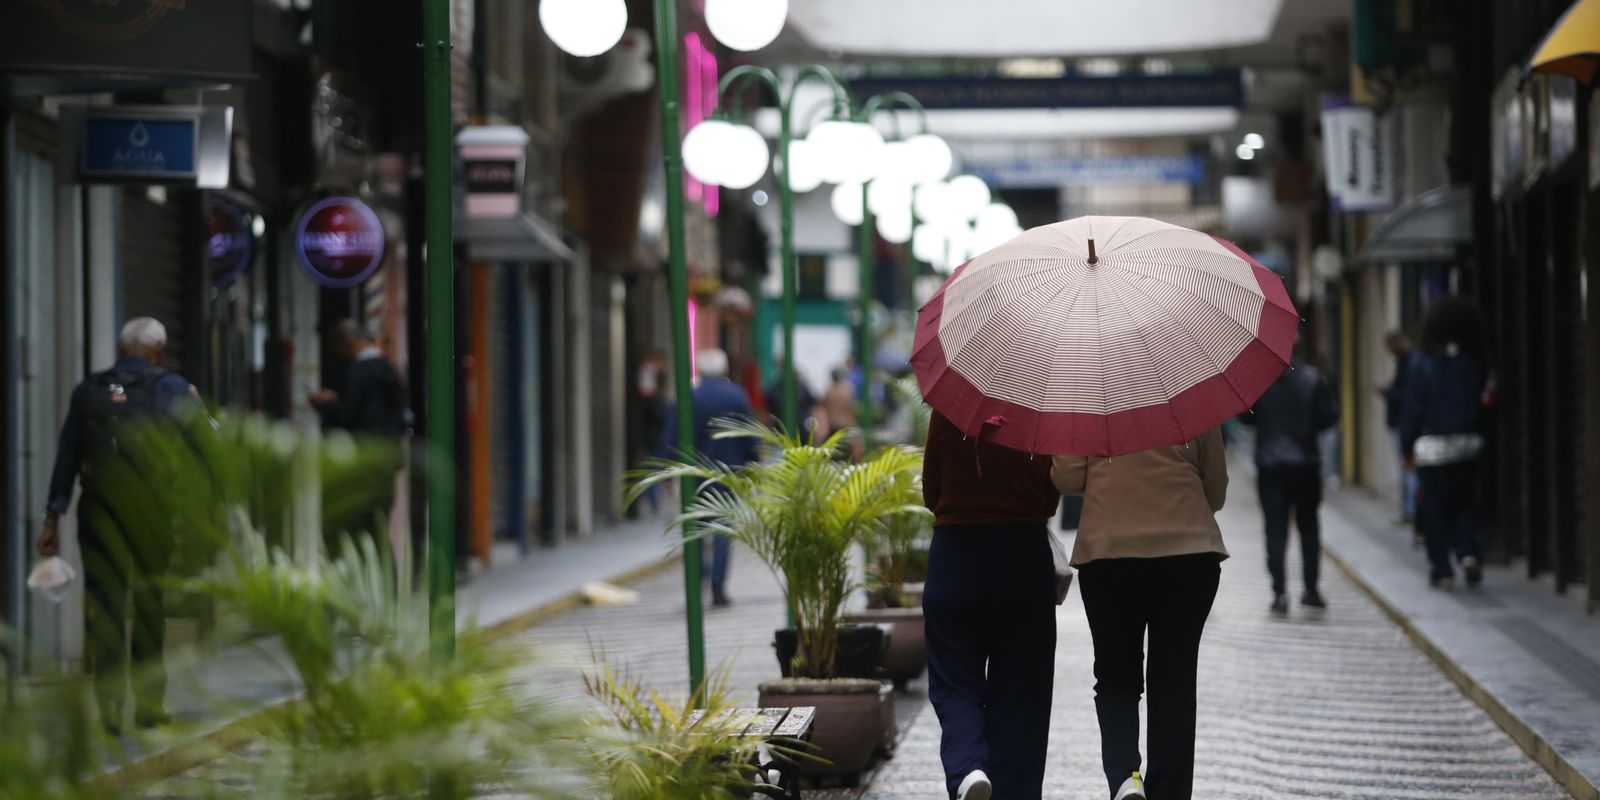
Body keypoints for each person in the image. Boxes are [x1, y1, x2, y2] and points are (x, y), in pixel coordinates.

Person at [37, 317, 198, 733]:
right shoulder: (172, 387)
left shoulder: (89, 390)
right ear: (158, 350)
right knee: (148, 605)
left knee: (104, 607)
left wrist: (53, 516)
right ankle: (148, 705)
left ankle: (109, 708)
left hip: (97, 509)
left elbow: (67, 456)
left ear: (122, 348)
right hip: (150, 512)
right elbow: (203, 446)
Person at [1053, 427, 1229, 800]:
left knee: (1116, 677)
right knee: (1174, 683)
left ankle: (1125, 777)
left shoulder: (1088, 394)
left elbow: (1066, 478)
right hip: (1189, 553)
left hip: (1110, 552)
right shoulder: (1186, 387)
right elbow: (1216, 488)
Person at [923, 410, 1060, 800]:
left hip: (955, 554)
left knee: (954, 681)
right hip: (1022, 556)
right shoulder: (1040, 405)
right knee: (1022, 692)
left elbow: (931, 490)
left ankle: (968, 767)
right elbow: (1050, 495)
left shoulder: (952, 405)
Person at [1401, 298, 1489, 588]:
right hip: (1467, 444)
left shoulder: (1421, 363)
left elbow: (1413, 408)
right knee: (1466, 501)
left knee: (1434, 507)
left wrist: (1407, 446)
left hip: (1432, 449)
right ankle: (1467, 552)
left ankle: (1441, 568)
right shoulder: (1473, 362)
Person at [1242, 355, 1338, 614]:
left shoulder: (1259, 380)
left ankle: (1280, 592)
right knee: (1309, 527)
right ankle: (1311, 588)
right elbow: (1329, 417)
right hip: (1305, 463)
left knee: (1275, 530)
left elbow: (1245, 418)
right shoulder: (1313, 378)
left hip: (1270, 465)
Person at [665, 349, 759, 607]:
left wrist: (667, 471)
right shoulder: (736, 396)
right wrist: (753, 467)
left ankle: (697, 583)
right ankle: (717, 586)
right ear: (724, 369)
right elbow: (749, 435)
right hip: (727, 474)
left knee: (695, 531)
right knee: (721, 532)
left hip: (693, 475)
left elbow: (672, 436)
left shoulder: (688, 396)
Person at [310, 320, 407, 545]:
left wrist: (327, 403)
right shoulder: (389, 369)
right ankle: (386, 574)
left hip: (364, 459)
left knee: (361, 527)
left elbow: (348, 414)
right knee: (381, 524)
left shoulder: (357, 372)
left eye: (339, 348)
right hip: (388, 458)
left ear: (347, 343)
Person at [1381, 332, 1419, 524]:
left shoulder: (1409, 365)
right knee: (1406, 468)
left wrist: (1389, 392)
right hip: (1401, 423)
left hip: (1403, 423)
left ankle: (1411, 511)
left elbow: (1405, 395)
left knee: (1408, 468)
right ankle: (1409, 510)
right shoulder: (1406, 364)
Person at [822, 367, 864, 459]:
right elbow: (852, 409)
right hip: (846, 425)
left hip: (833, 425)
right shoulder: (847, 390)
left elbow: (826, 409)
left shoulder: (828, 391)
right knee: (851, 454)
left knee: (832, 455)